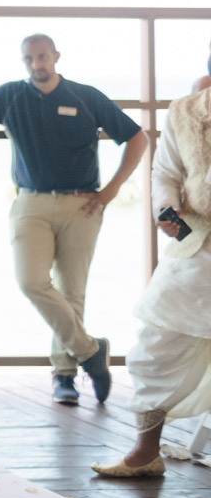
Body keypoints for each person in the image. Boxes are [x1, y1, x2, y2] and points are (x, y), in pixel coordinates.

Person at [0, 35, 147, 405]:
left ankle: (64, 376)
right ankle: (91, 352)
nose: (37, 64)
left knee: (72, 292)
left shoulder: (86, 96)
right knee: (31, 281)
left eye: (42, 56)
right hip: (30, 204)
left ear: (56, 57)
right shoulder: (10, 96)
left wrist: (111, 190)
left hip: (82, 205)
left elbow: (137, 138)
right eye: (29, 58)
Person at [94, 83, 211, 477]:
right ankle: (146, 454)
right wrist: (166, 206)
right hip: (196, 243)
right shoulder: (184, 110)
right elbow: (166, 171)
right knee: (155, 349)